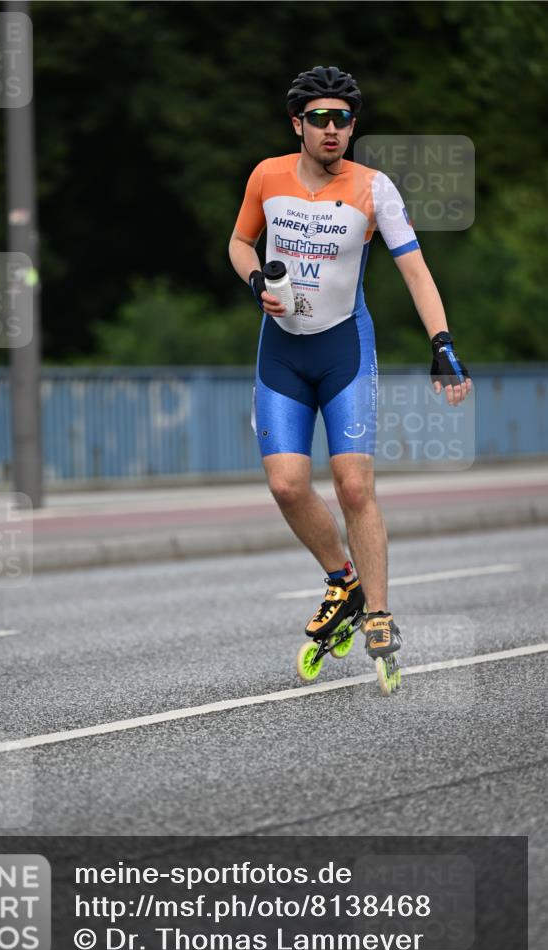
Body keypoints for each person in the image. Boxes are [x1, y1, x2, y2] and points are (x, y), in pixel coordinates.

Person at [228, 65, 472, 680]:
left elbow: (415, 271)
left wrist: (441, 343)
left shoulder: (373, 188)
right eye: (320, 119)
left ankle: (380, 610)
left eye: (342, 119)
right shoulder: (267, 175)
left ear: (352, 126)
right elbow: (238, 243)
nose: (332, 129)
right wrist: (257, 280)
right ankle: (344, 581)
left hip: (344, 350)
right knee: (286, 484)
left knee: (354, 487)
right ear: (298, 125)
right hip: (281, 350)